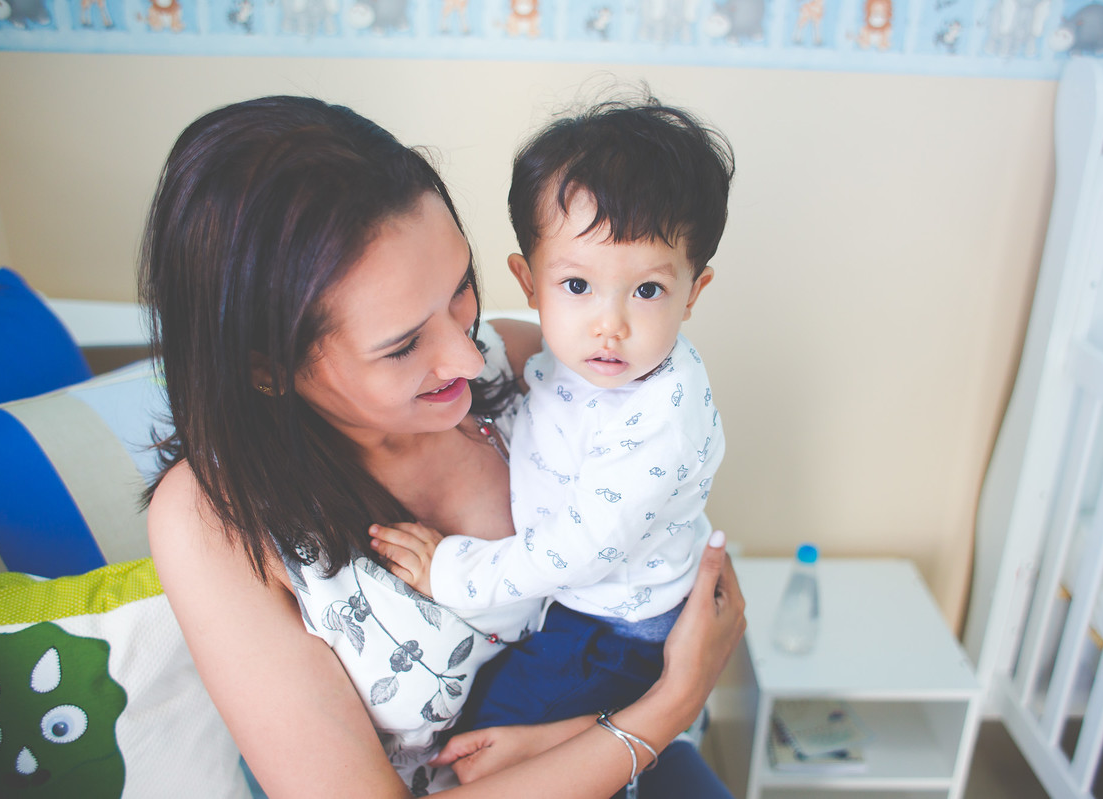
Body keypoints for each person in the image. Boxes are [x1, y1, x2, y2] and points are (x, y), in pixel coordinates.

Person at [140, 94, 746, 799]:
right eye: (402, 346)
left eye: (461, 290)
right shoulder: (214, 519)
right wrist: (664, 711)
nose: (466, 354)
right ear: (268, 367)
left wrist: (618, 723)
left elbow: (688, 566)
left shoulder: (523, 362)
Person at [369, 97, 734, 744]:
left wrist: (449, 573)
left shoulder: (656, 419)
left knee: (487, 738)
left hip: (613, 629)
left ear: (693, 293)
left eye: (647, 290)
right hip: (582, 606)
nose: (610, 324)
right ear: (529, 282)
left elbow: (576, 550)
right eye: (576, 285)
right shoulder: (568, 353)